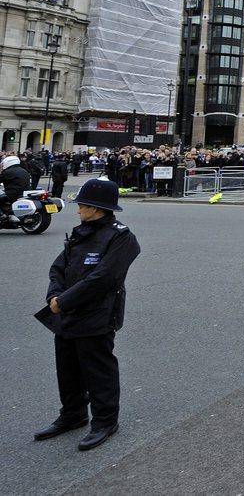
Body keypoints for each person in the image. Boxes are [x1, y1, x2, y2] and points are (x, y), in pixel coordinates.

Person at [34, 178, 141, 451]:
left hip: (97, 314)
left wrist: (64, 301)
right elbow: (59, 267)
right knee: (67, 367)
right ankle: (73, 414)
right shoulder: (82, 230)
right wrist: (53, 296)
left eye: (82, 203)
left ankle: (105, 421)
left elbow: (103, 279)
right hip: (67, 312)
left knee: (98, 370)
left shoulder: (121, 237)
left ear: (97, 208)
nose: (78, 208)